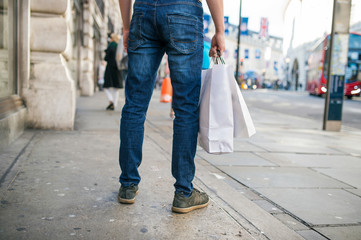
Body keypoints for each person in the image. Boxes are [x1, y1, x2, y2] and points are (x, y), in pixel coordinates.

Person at [117, 0, 225, 213]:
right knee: (185, 109)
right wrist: (219, 29)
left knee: (135, 105)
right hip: (183, 12)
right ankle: (184, 193)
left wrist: (127, 26)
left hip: (143, 12)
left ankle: (128, 185)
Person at [104, 33, 123, 111]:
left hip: (110, 68)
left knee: (106, 87)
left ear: (113, 38)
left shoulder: (111, 46)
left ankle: (111, 100)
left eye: (111, 38)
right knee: (116, 88)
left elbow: (106, 58)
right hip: (118, 69)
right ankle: (114, 104)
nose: (110, 39)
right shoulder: (119, 46)